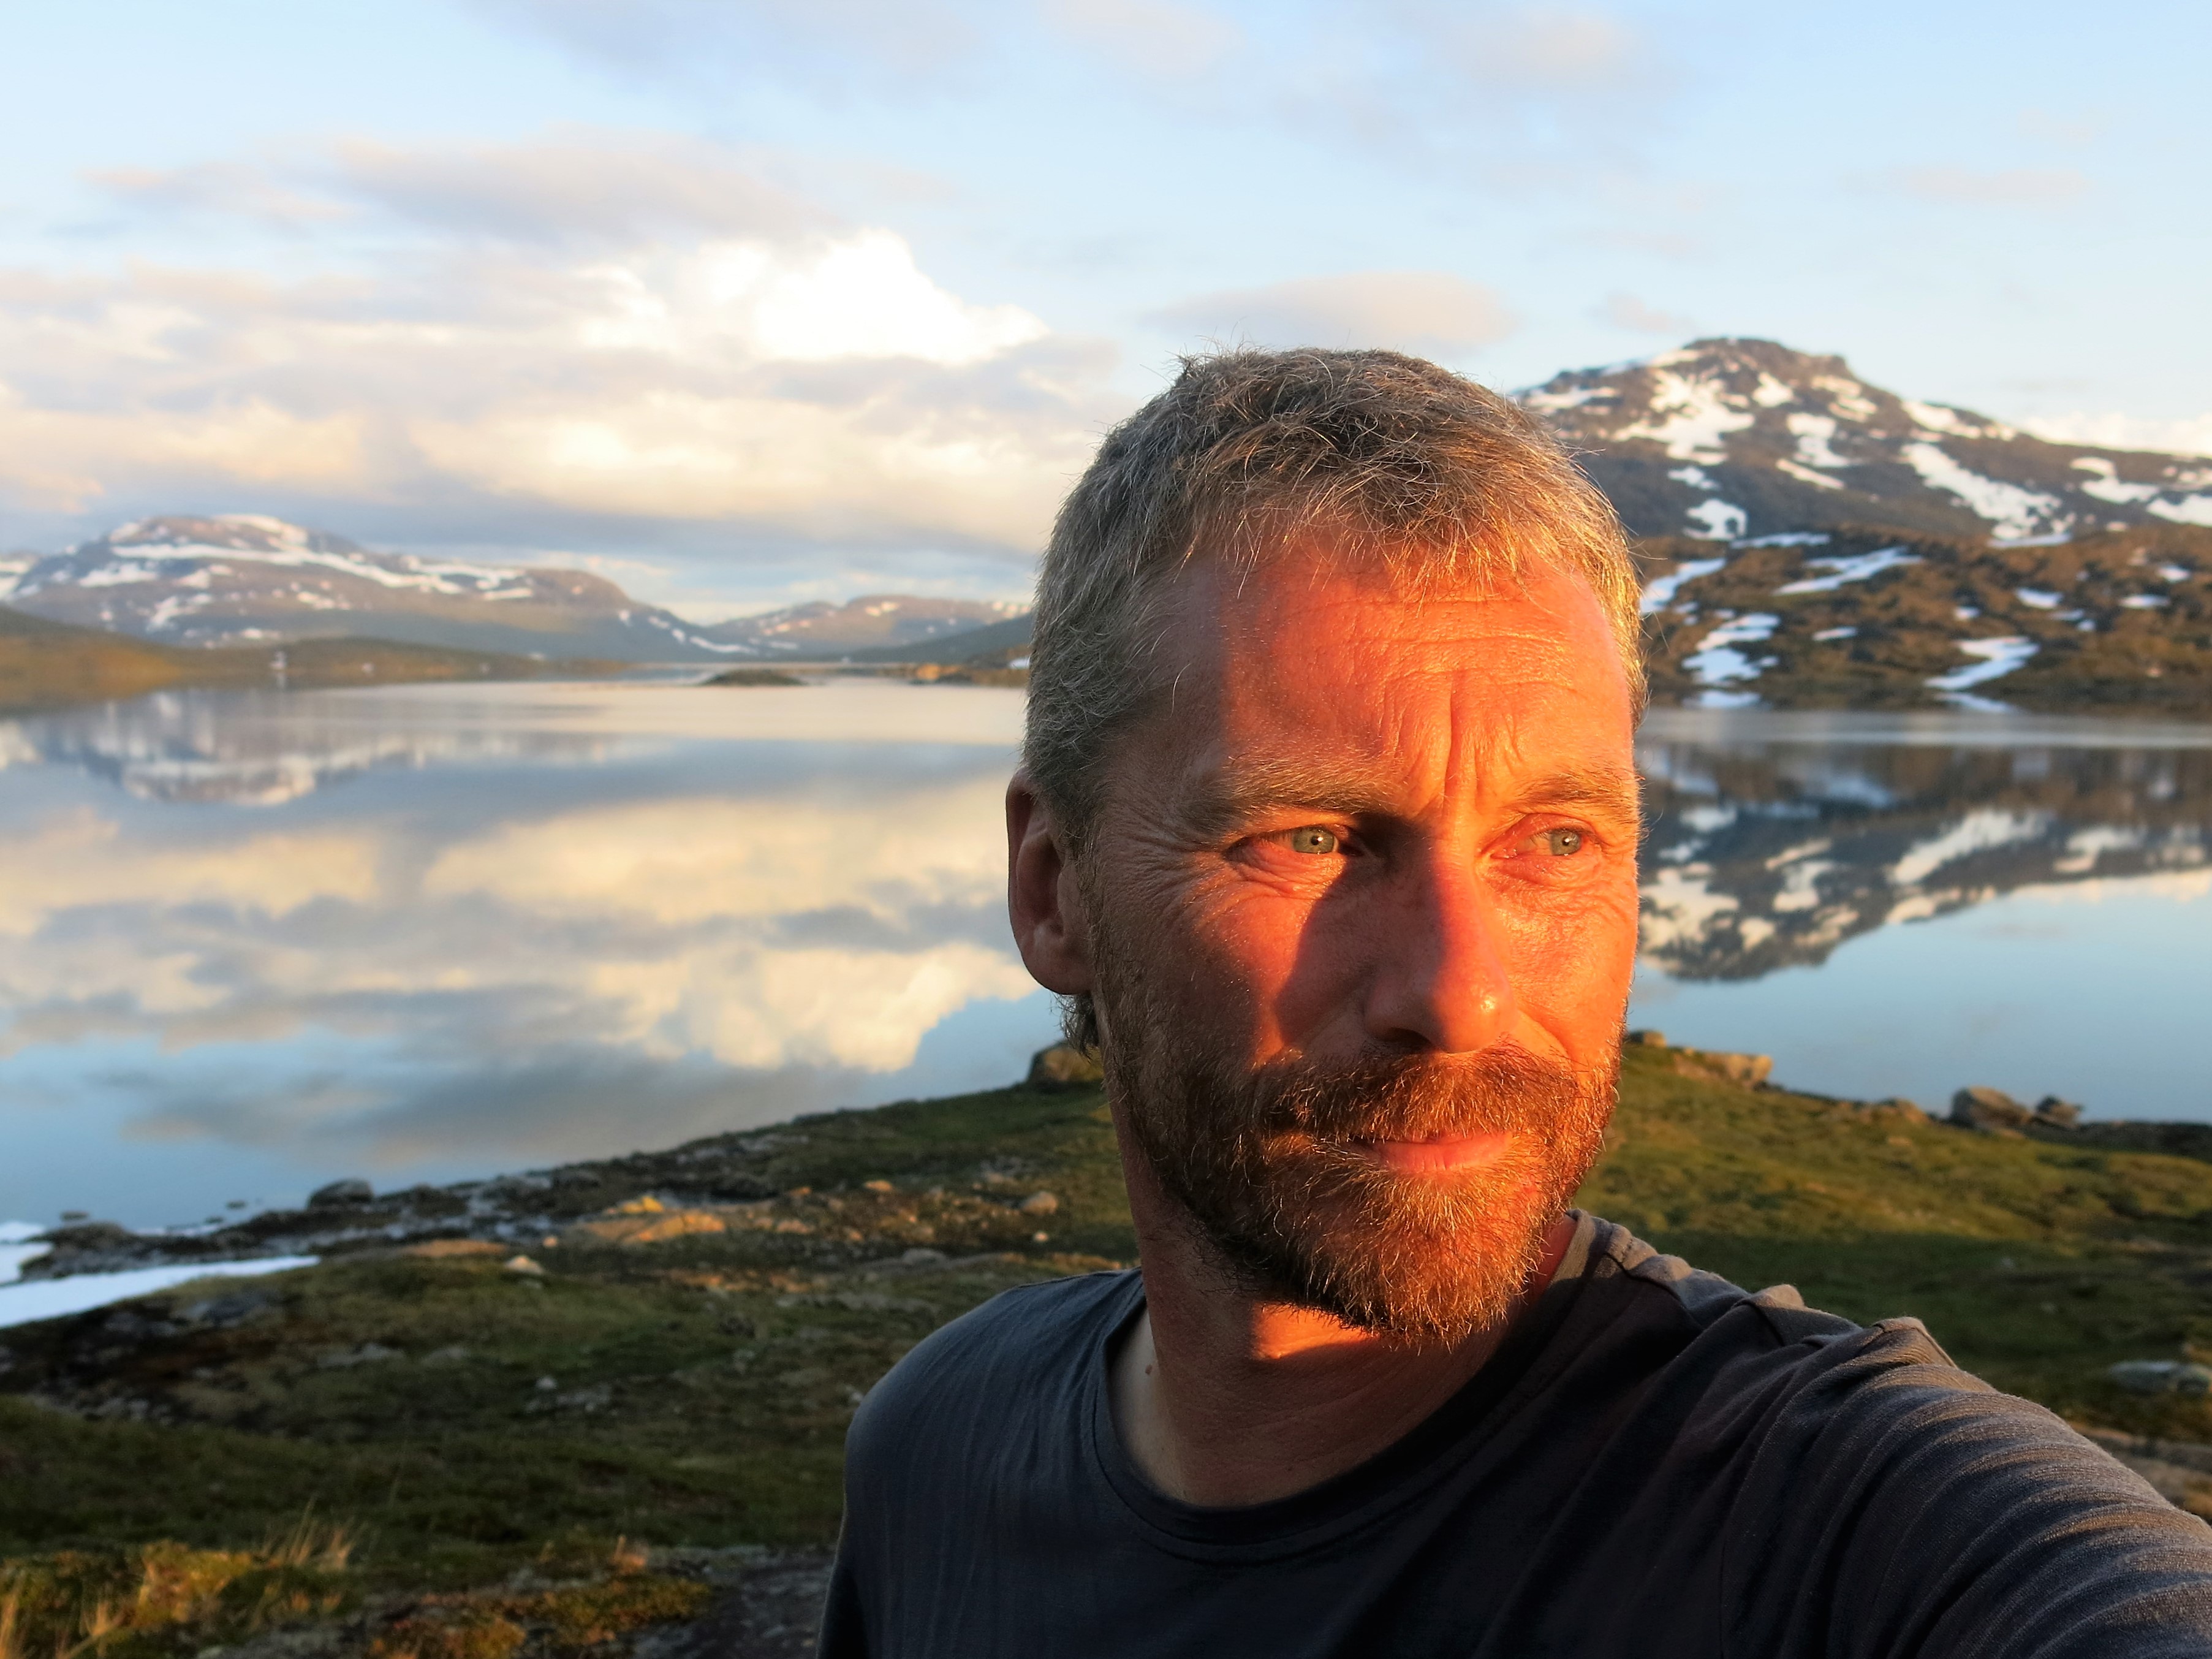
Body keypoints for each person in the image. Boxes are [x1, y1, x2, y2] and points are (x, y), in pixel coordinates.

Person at [817, 348, 2212, 1656]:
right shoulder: (935, 1444)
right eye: (1311, 838)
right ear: (1053, 890)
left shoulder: (1849, 1524)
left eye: (1554, 840)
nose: (1462, 996)